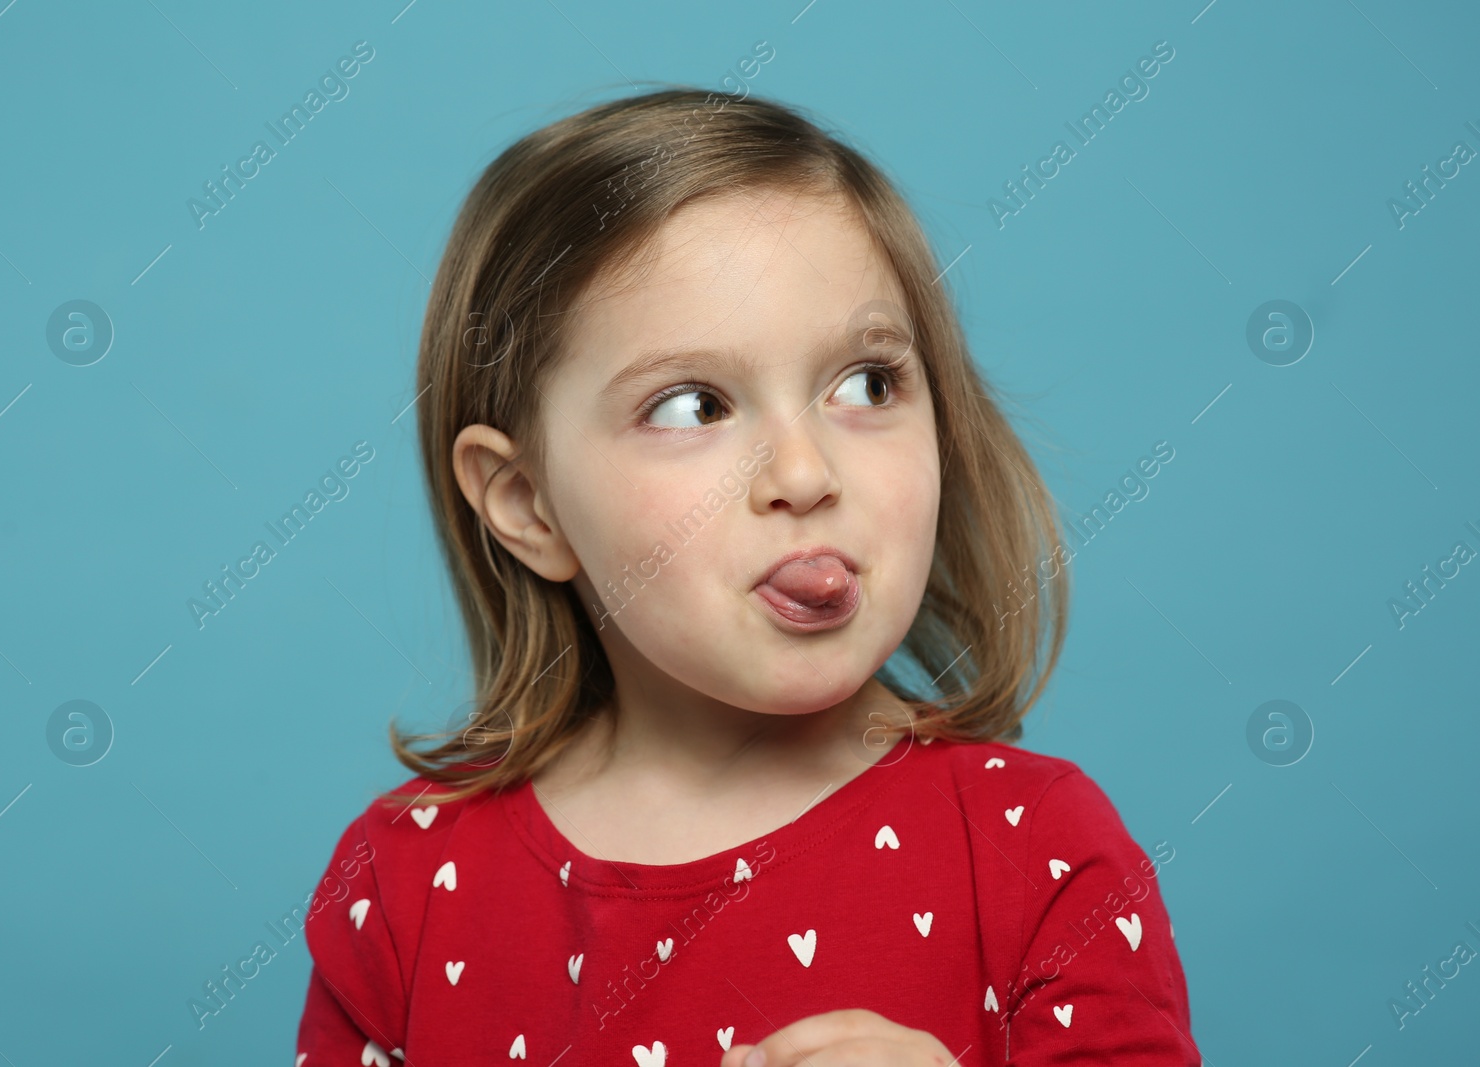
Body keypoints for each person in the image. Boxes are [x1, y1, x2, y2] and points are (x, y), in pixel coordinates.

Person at [294, 86, 1200, 1067]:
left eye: (866, 384)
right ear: (527, 503)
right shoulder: (406, 881)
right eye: (693, 406)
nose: (805, 475)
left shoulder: (1037, 846)